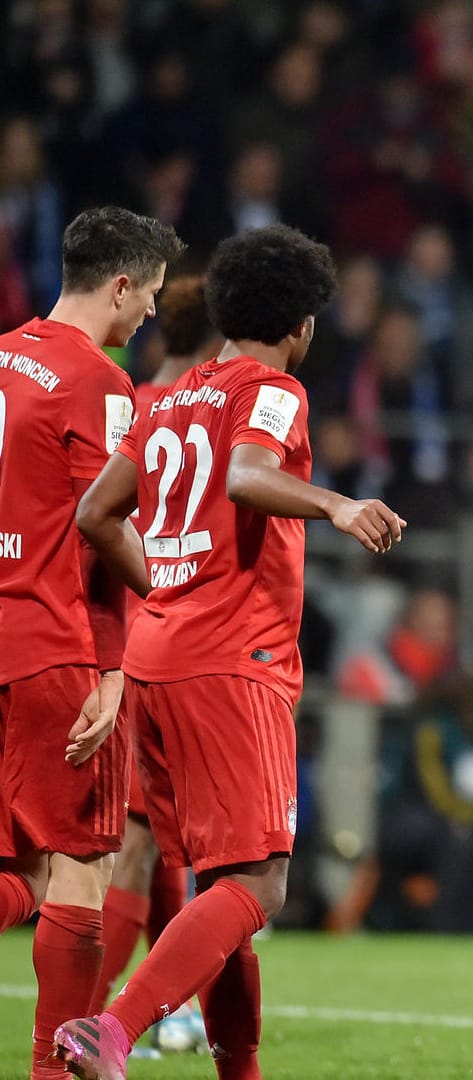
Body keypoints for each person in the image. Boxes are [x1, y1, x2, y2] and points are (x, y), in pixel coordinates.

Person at [57, 224, 406, 1080]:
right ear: (305, 325)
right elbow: (248, 476)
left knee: (221, 894)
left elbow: (97, 514)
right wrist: (336, 504)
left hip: (156, 657)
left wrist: (164, 589)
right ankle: (113, 1029)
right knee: (261, 886)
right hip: (229, 663)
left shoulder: (169, 396)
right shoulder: (274, 390)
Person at [0, 205, 183, 1079]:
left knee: (18, 872)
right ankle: (52, 1071)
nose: (148, 311)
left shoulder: (2, 357)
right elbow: (102, 529)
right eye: (146, 293)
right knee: (79, 872)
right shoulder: (102, 383)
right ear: (119, 284)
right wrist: (115, 666)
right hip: (54, 645)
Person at [94, 274, 218, 1045]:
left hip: (135, 632)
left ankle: (167, 1014)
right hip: (179, 633)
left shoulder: (132, 403)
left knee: (162, 834)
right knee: (149, 844)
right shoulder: (207, 408)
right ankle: (103, 1019)